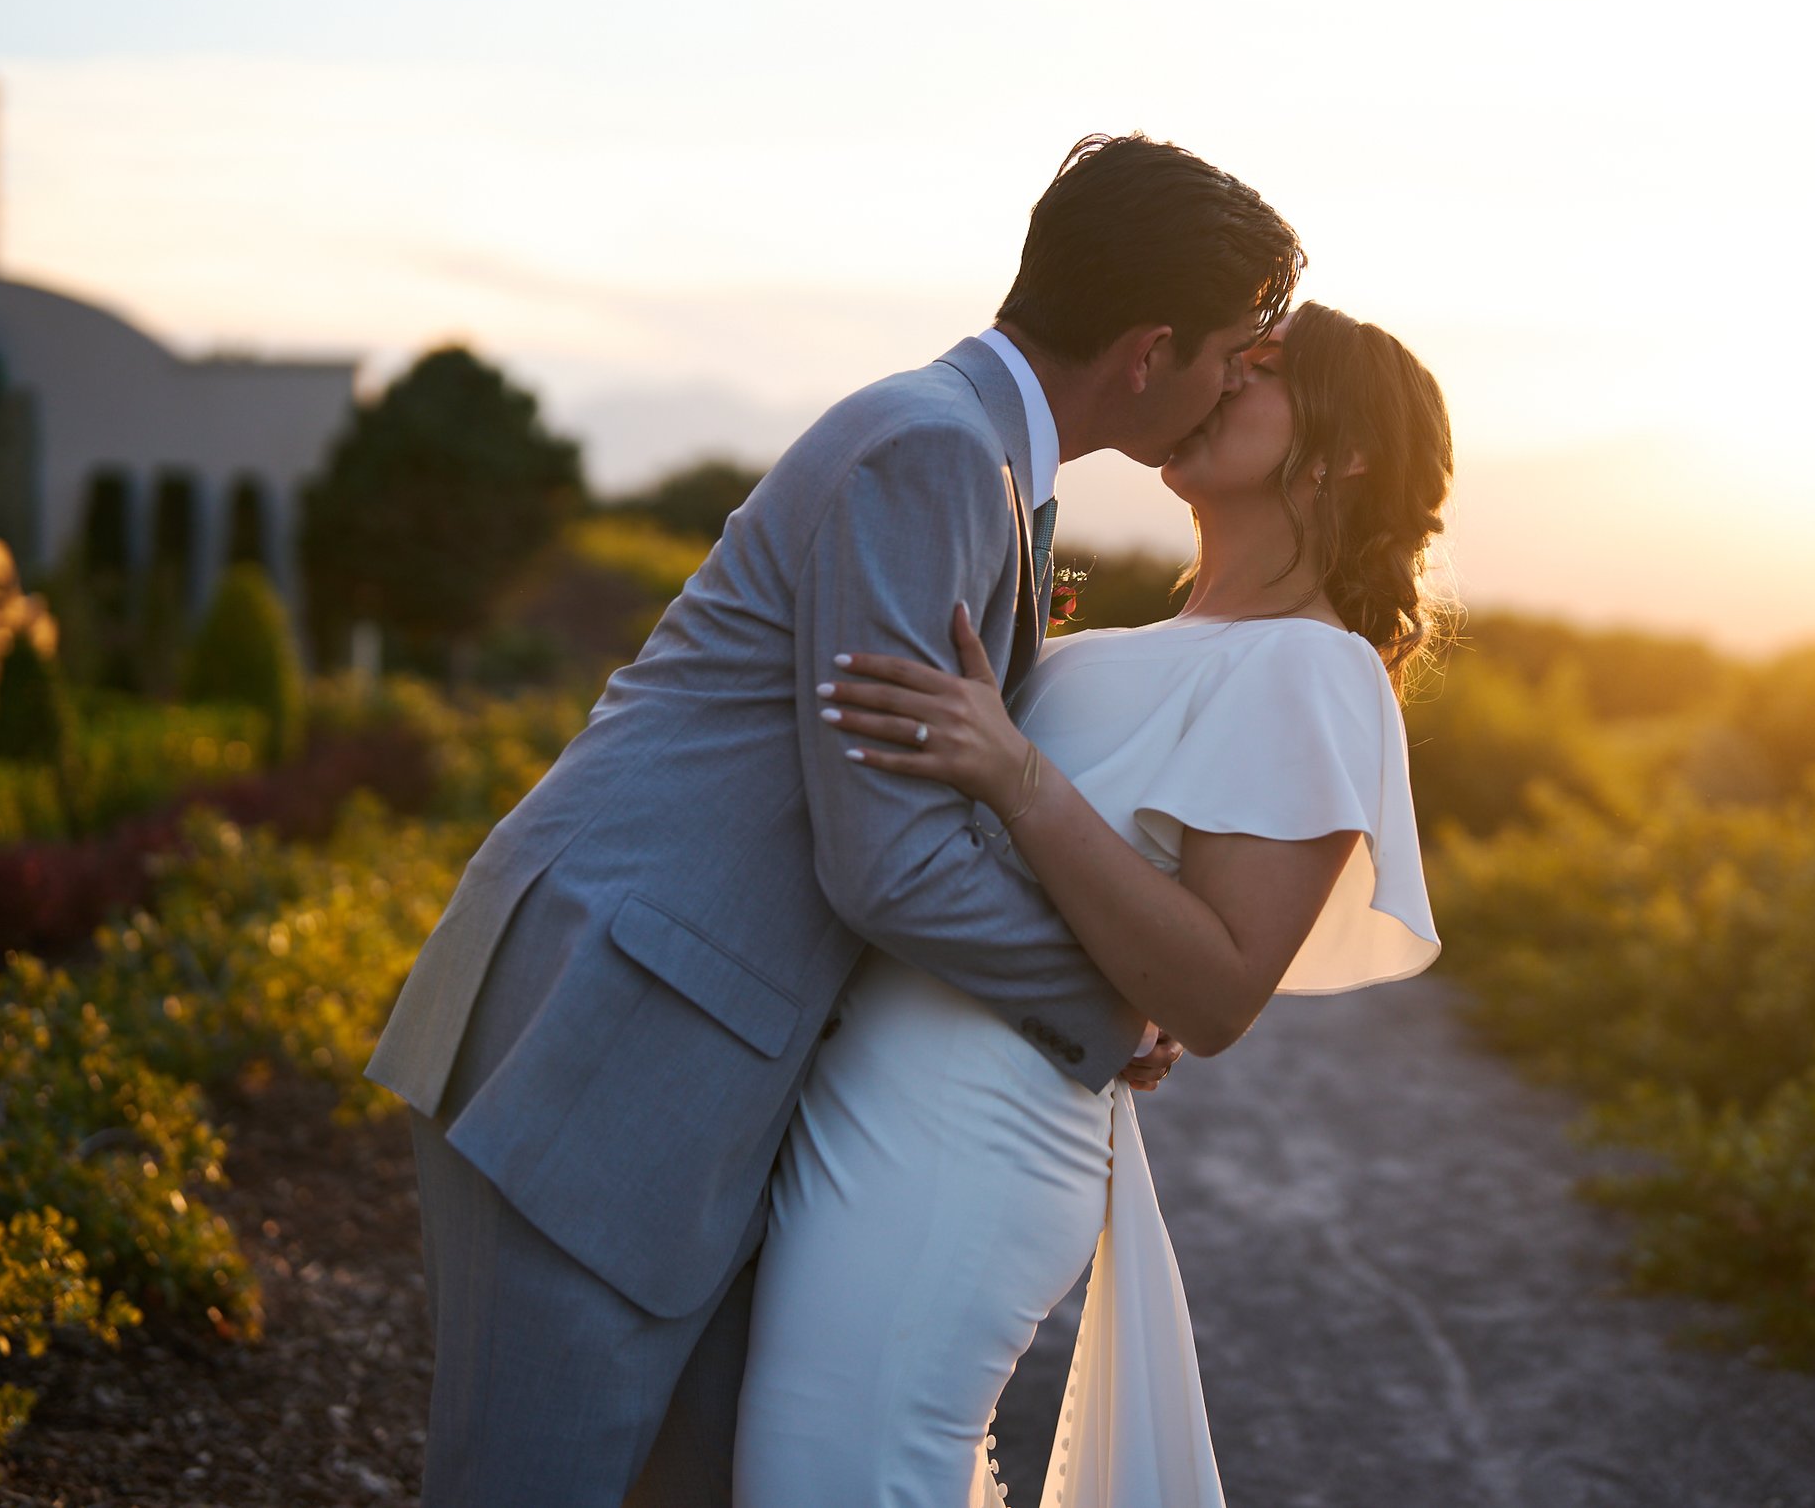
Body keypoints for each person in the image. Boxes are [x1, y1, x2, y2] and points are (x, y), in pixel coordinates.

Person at [362, 133, 1303, 1507]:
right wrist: (1109, 1008)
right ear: (1151, 351)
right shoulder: (934, 453)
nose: (1233, 382)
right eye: (1230, 352)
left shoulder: (964, 448)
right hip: (607, 1039)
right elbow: (894, 859)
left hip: (675, 1044)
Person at [736, 301, 1454, 1507]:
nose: (1222, 378)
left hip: (973, 1132)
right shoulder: (1119, 643)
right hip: (875, 1095)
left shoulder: (1311, 665)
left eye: (1263, 367)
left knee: (833, 1477)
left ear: (1346, 451)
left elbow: (1217, 993)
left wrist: (1017, 773)